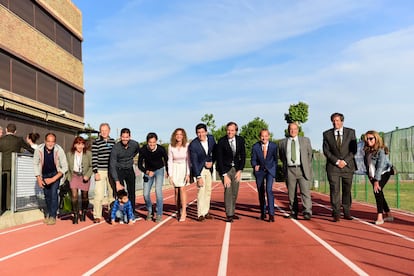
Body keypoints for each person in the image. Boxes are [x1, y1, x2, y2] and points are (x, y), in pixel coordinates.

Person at [322, 112, 357, 222]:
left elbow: (353, 150)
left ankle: (346, 212)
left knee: (347, 190)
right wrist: (337, 161)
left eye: (337, 120)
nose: (335, 122)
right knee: (335, 190)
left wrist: (345, 161)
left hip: (348, 166)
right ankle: (336, 213)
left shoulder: (351, 132)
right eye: (333, 120)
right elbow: (326, 151)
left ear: (342, 121)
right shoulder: (326, 134)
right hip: (333, 167)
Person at [279, 122, 313, 220]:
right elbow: (282, 156)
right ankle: (293, 212)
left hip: (302, 169)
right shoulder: (282, 143)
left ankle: (307, 211)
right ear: (288, 130)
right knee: (291, 193)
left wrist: (305, 165)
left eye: (295, 129)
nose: (293, 131)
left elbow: (309, 154)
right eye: (291, 129)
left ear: (298, 130)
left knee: (305, 192)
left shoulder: (305, 140)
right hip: (290, 170)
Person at [33, 133, 68, 225]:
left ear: (55, 142)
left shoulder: (59, 150)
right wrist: (39, 178)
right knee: (47, 196)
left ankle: (53, 216)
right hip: (44, 175)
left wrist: (53, 179)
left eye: (52, 142)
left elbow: (65, 167)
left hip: (56, 174)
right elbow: (35, 163)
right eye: (48, 141)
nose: (50, 144)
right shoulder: (39, 149)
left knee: (53, 195)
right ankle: (48, 213)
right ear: (45, 141)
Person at [216, 122, 246, 223]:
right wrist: (224, 175)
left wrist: (240, 170)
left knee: (235, 192)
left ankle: (232, 212)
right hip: (225, 170)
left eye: (232, 130)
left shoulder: (240, 140)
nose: (230, 132)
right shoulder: (221, 141)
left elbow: (243, 156)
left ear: (236, 131)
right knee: (228, 191)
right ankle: (229, 214)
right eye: (228, 130)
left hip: (236, 169)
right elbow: (219, 159)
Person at [0, 123, 33, 212]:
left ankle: (2, 206)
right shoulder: (19, 140)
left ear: (6, 130)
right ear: (15, 131)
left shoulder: (1, 140)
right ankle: (11, 206)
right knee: (12, 186)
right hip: (14, 166)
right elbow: (29, 149)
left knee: (3, 186)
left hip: (2, 166)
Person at [363, 131, 394, 225]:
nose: (369, 141)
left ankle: (380, 217)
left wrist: (376, 180)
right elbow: (367, 164)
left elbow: (380, 166)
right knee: (379, 191)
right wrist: (370, 176)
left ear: (376, 139)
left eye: (371, 138)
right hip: (373, 174)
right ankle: (389, 214)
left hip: (384, 171)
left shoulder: (381, 150)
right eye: (367, 139)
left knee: (377, 191)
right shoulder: (367, 150)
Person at [138, 132, 168, 223]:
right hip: (148, 172)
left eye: (154, 142)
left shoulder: (161, 149)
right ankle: (150, 211)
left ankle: (159, 214)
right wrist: (146, 171)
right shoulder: (143, 150)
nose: (152, 144)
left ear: (156, 142)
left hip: (159, 170)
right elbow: (139, 164)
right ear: (147, 142)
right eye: (150, 142)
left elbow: (166, 160)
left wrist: (168, 171)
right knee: (145, 194)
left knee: (158, 191)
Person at [189, 123, 216, 222]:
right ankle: (200, 214)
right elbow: (194, 161)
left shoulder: (212, 139)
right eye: (198, 133)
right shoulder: (193, 145)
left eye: (202, 132)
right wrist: (198, 176)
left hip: (209, 168)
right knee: (201, 190)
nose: (201, 134)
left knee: (208, 191)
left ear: (206, 132)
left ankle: (206, 211)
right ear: (196, 134)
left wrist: (212, 162)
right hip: (200, 169)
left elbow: (215, 152)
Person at [109, 128, 140, 216]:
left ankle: (132, 212)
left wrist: (131, 158)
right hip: (120, 170)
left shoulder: (135, 144)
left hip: (130, 169)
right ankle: (120, 212)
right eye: (123, 137)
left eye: (127, 137)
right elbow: (112, 165)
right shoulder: (116, 148)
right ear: (120, 137)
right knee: (121, 193)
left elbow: (137, 151)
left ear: (130, 137)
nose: (125, 139)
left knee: (132, 192)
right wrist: (117, 181)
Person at [251, 128, 278, 222]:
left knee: (269, 190)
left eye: (266, 136)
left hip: (270, 171)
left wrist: (274, 171)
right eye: (262, 136)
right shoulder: (255, 147)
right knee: (261, 192)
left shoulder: (274, 146)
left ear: (269, 136)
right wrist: (255, 165)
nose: (264, 138)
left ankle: (271, 214)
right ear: (260, 137)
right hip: (260, 172)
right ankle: (263, 212)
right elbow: (253, 159)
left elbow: (275, 159)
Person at [92, 123, 116, 223]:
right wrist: (95, 172)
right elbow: (94, 157)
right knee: (99, 195)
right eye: (102, 130)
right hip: (100, 171)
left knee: (112, 195)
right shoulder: (96, 142)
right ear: (100, 132)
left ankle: (112, 214)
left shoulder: (113, 142)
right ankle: (97, 215)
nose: (104, 132)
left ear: (109, 131)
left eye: (106, 130)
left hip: (111, 171)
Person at [66, 136, 93, 224]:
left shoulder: (88, 153)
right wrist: (67, 176)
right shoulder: (69, 154)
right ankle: (76, 214)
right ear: (74, 145)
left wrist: (87, 175)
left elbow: (91, 166)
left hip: (84, 176)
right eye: (78, 144)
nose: (80, 146)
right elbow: (66, 166)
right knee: (74, 196)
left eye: (82, 144)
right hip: (74, 175)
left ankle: (84, 212)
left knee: (84, 196)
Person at [168, 128, 190, 222]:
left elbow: (188, 160)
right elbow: (170, 161)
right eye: (177, 134)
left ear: (183, 136)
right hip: (175, 168)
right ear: (174, 135)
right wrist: (170, 175)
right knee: (176, 191)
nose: (179, 136)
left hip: (184, 168)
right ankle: (178, 210)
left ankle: (184, 211)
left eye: (181, 134)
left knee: (182, 189)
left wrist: (188, 173)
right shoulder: (171, 146)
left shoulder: (187, 145)